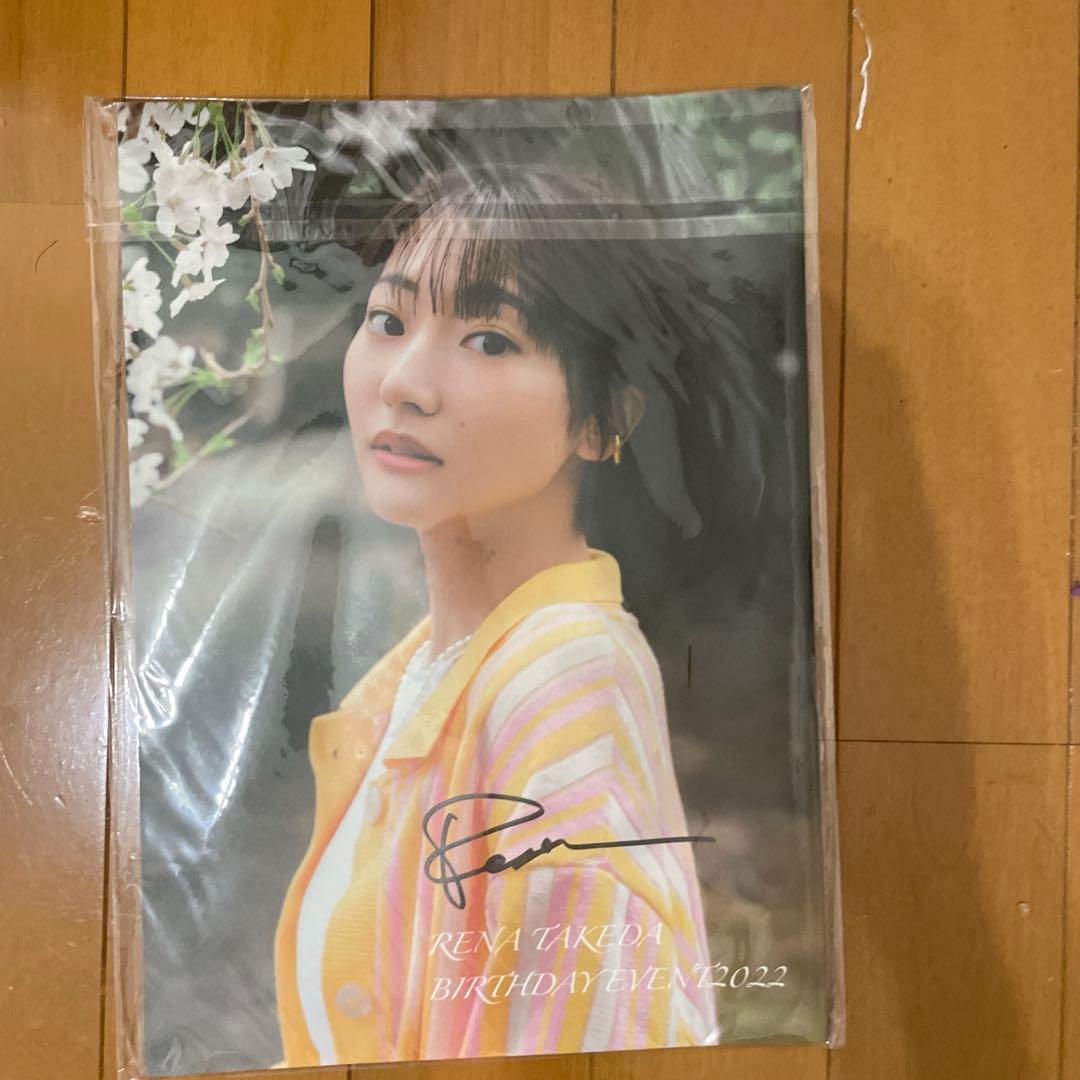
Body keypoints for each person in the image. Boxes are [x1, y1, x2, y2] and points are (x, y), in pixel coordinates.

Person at [272, 162, 772, 1067]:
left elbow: (595, 1044)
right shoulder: (420, 677)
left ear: (605, 421)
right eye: (388, 321)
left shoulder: (563, 678)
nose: (405, 383)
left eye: (490, 339)